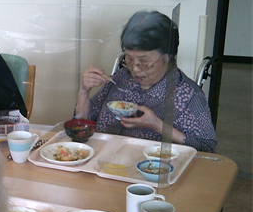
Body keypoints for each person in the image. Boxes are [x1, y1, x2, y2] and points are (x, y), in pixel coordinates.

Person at [74, 10, 216, 153]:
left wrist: (158, 126)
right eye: (129, 59)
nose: (135, 69)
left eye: (144, 61)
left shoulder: (188, 95)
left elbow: (207, 149)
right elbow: (81, 125)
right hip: (101, 159)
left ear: (167, 57)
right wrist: (84, 91)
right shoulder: (120, 78)